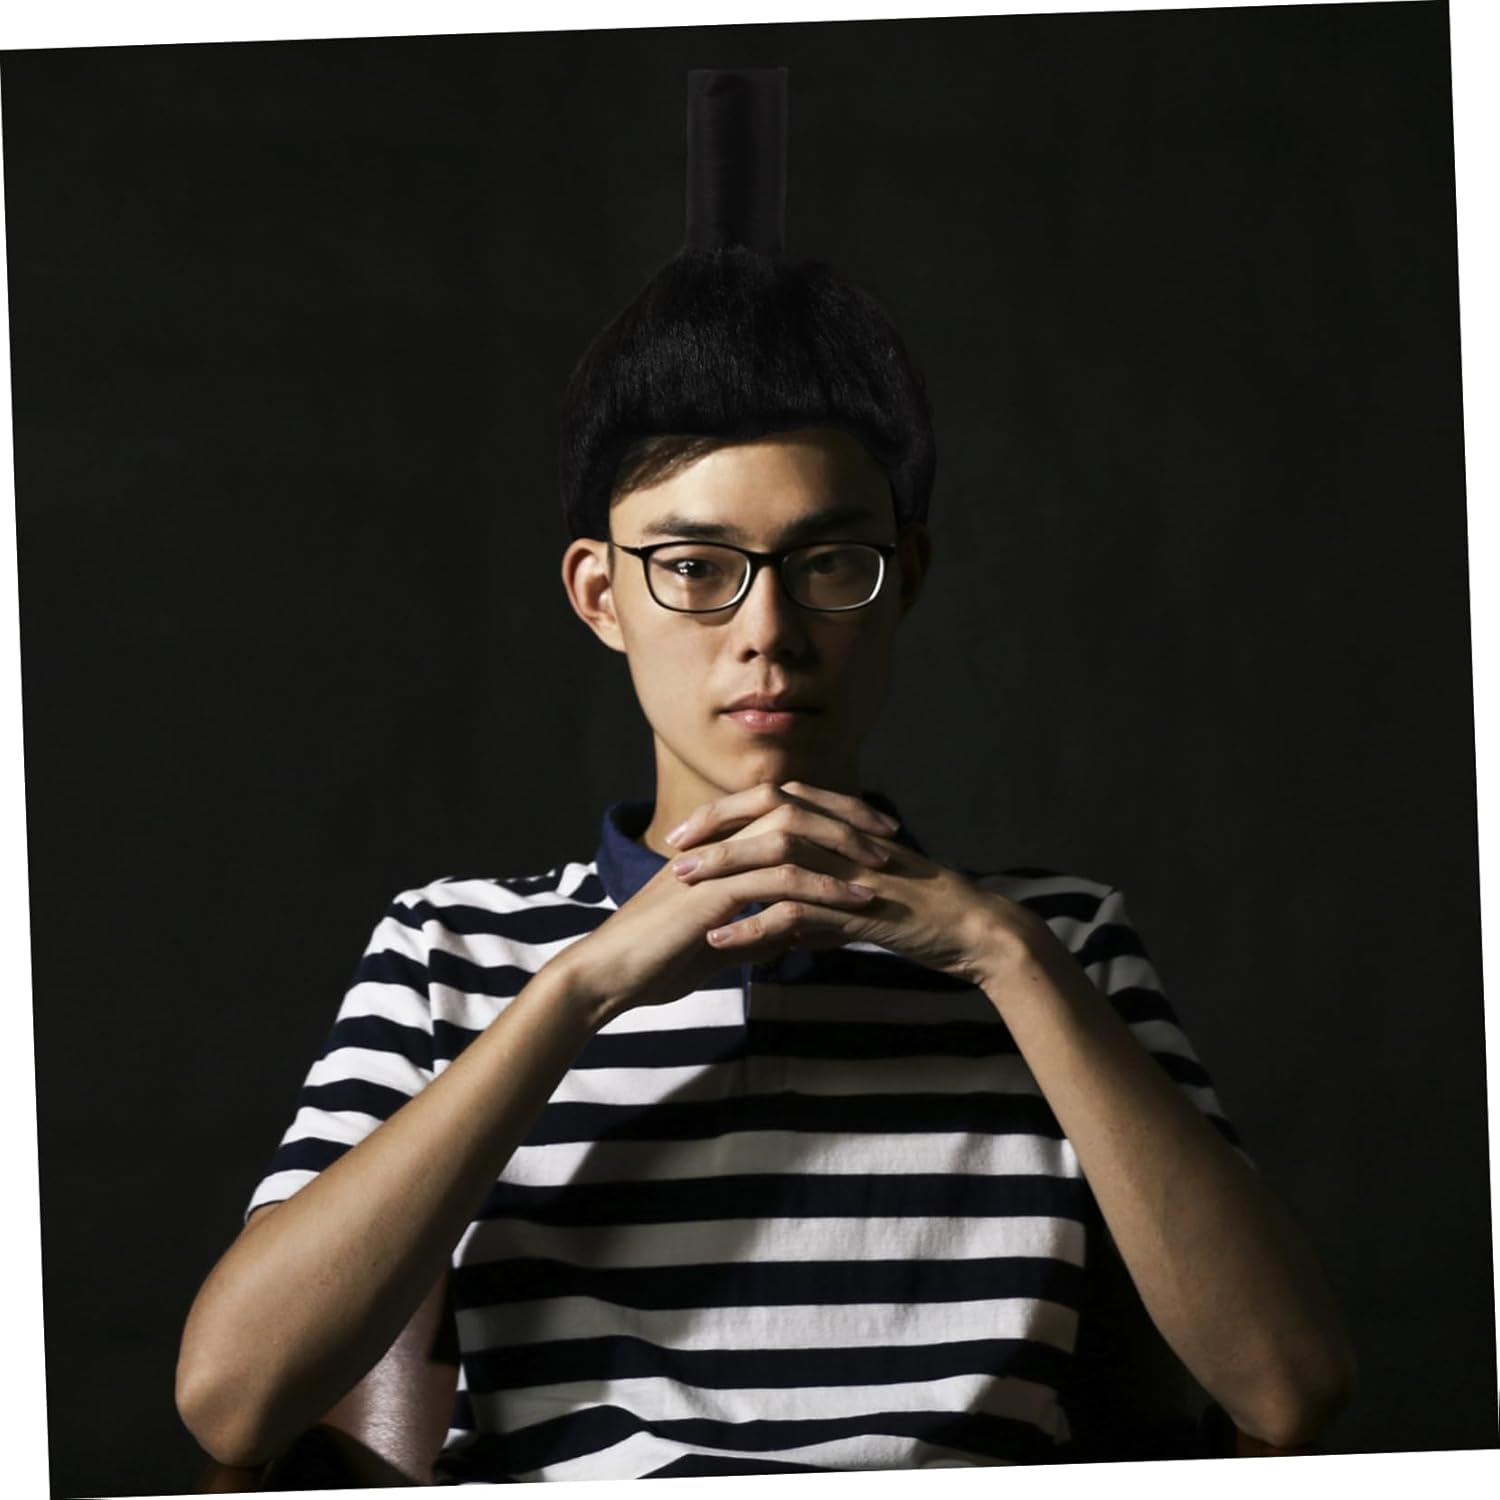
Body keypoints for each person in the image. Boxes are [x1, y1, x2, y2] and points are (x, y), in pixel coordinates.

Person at [175, 68, 1356, 1484]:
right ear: (601, 595)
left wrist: (997, 952)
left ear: (905, 577)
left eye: (829, 563)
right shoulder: (455, 950)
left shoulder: (1061, 942)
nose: (769, 632)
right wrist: (586, 985)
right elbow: (230, 1403)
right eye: (695, 567)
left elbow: (1289, 1393)